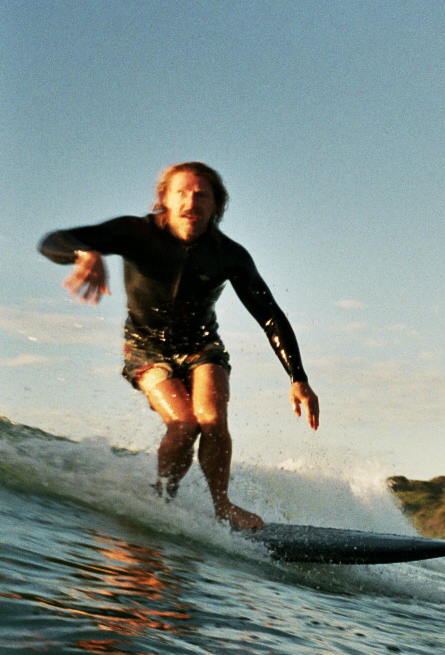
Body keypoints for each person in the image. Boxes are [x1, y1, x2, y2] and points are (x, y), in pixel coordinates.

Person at [38, 162, 319, 530]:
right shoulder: (133, 231)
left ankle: (223, 506)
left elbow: (269, 314)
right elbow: (53, 240)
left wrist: (298, 377)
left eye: (202, 194)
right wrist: (84, 254)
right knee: (184, 424)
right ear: (164, 201)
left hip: (202, 345)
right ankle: (163, 496)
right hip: (145, 346)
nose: (191, 200)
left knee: (212, 419)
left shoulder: (229, 254)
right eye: (181, 192)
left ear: (217, 204)